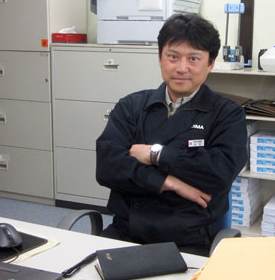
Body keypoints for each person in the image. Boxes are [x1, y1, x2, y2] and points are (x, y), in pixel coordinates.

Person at [95, 13, 248, 256]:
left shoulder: (227, 114)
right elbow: (108, 167)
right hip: (126, 232)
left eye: (193, 58)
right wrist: (170, 183)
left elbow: (218, 174)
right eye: (173, 57)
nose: (181, 68)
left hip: (190, 239)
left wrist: (155, 154)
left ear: (210, 64)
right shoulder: (132, 106)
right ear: (160, 58)